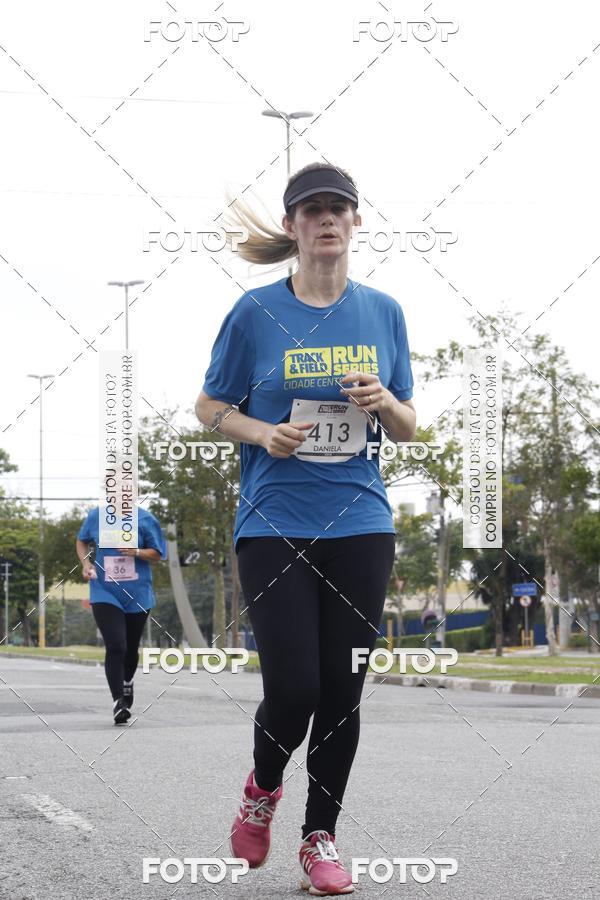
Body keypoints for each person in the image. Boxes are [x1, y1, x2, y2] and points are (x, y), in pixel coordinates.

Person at [195, 162, 416, 895]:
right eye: (312, 210)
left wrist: (385, 399)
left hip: (360, 522)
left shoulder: (383, 311)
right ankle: (262, 790)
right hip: (274, 523)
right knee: (293, 686)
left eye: (338, 209)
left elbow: (410, 429)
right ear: (292, 227)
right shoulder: (255, 313)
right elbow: (208, 408)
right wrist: (263, 434)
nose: (326, 220)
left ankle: (319, 838)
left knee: (343, 690)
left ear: (355, 222)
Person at [76, 505, 167, 725]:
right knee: (116, 645)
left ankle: (127, 681)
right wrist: (86, 564)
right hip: (104, 591)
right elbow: (81, 541)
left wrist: (136, 551)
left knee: (130, 647)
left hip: (137, 593)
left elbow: (158, 553)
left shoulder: (146, 519)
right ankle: (119, 702)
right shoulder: (96, 515)